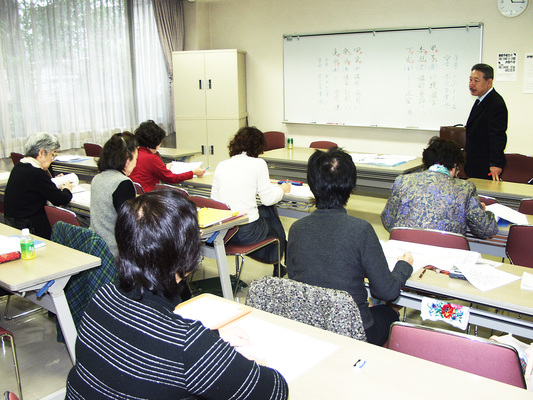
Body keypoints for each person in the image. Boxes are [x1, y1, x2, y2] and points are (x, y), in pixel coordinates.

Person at [65, 189, 289, 399]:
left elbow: (151, 347)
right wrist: (249, 364)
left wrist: (214, 339)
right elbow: (275, 391)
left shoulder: (103, 296)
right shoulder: (187, 345)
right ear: (186, 253)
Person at [286, 148, 413, 346]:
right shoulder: (360, 229)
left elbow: (295, 280)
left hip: (310, 327)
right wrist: (404, 266)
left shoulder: (296, 229)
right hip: (354, 333)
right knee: (389, 312)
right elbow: (386, 291)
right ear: (351, 187)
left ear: (312, 186)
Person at [381, 137, 498, 239]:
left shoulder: (403, 181)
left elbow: (388, 221)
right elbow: (486, 230)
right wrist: (484, 211)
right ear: (455, 165)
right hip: (445, 256)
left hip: (406, 253)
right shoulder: (465, 188)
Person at [211, 126, 291, 277]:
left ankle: (277, 263)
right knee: (269, 212)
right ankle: (278, 263)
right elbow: (267, 199)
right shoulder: (259, 164)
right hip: (247, 233)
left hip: (224, 233)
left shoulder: (221, 165)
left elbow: (214, 201)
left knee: (262, 211)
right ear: (259, 146)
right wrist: (282, 190)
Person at [4, 132, 72, 239]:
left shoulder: (20, 166)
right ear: (41, 153)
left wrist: (51, 182)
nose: (52, 159)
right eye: (52, 154)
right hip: (29, 227)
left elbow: (36, 187)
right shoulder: (36, 172)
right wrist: (67, 189)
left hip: (14, 224)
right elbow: (61, 199)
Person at [90, 132, 138, 257]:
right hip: (115, 254)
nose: (136, 164)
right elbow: (130, 226)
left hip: (96, 248)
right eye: (136, 159)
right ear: (127, 159)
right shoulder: (123, 183)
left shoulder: (97, 178)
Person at [129, 120, 205, 192]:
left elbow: (147, 171)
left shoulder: (135, 153)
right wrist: (193, 172)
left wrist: (164, 168)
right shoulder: (152, 158)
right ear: (157, 142)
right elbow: (171, 178)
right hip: (149, 197)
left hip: (136, 195)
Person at [465, 63, 508, 181]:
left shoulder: (495, 103)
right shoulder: (480, 99)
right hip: (475, 162)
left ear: (489, 82)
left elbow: (497, 136)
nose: (471, 84)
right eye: (470, 80)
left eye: (476, 81)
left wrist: (495, 163)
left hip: (486, 165)